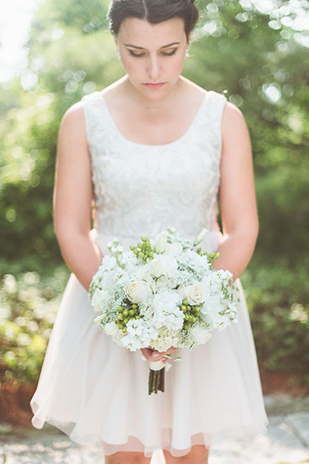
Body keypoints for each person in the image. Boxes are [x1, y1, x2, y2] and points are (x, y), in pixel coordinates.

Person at [30, 0, 269, 463]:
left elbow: (240, 229)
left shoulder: (223, 118)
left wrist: (193, 309)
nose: (154, 69)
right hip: (109, 304)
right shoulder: (83, 119)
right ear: (115, 41)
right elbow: (72, 229)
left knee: (189, 454)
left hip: (204, 308)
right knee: (125, 455)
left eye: (170, 50)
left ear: (189, 42)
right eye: (136, 52)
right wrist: (121, 308)